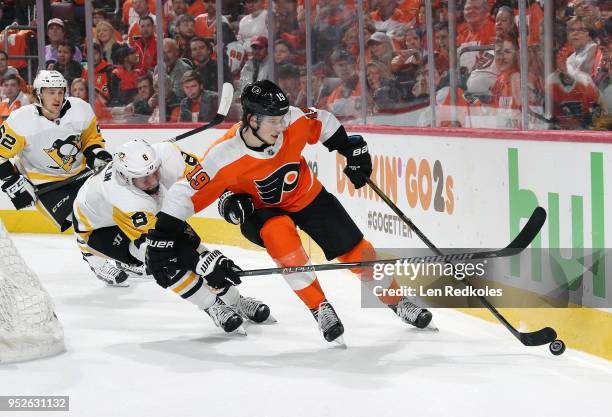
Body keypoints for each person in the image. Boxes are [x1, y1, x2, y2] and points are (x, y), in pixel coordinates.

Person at [144, 80, 433, 344]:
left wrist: (350, 148)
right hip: (263, 212)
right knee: (279, 233)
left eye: (283, 117)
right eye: (273, 120)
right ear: (252, 119)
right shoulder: (224, 155)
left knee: (356, 251)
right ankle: (319, 307)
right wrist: (162, 237)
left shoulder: (292, 120)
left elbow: (323, 120)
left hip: (306, 195)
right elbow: (185, 193)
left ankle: (397, 300)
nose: (281, 126)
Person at [72, 138, 273, 334]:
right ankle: (211, 306)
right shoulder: (123, 197)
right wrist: (201, 262)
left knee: (192, 246)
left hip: (135, 213)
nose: (153, 181)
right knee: (162, 262)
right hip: (101, 230)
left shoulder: (169, 155)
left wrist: (227, 196)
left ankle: (236, 301)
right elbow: (159, 246)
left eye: (155, 172)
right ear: (127, 178)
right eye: (144, 179)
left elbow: (209, 174)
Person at [0, 70, 112, 232]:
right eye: (51, 92)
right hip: (44, 184)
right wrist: (13, 181)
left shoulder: (81, 109)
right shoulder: (20, 120)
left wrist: (96, 156)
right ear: (39, 94)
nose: (57, 98)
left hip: (79, 176)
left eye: (60, 92)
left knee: (106, 210)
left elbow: (91, 139)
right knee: (81, 221)